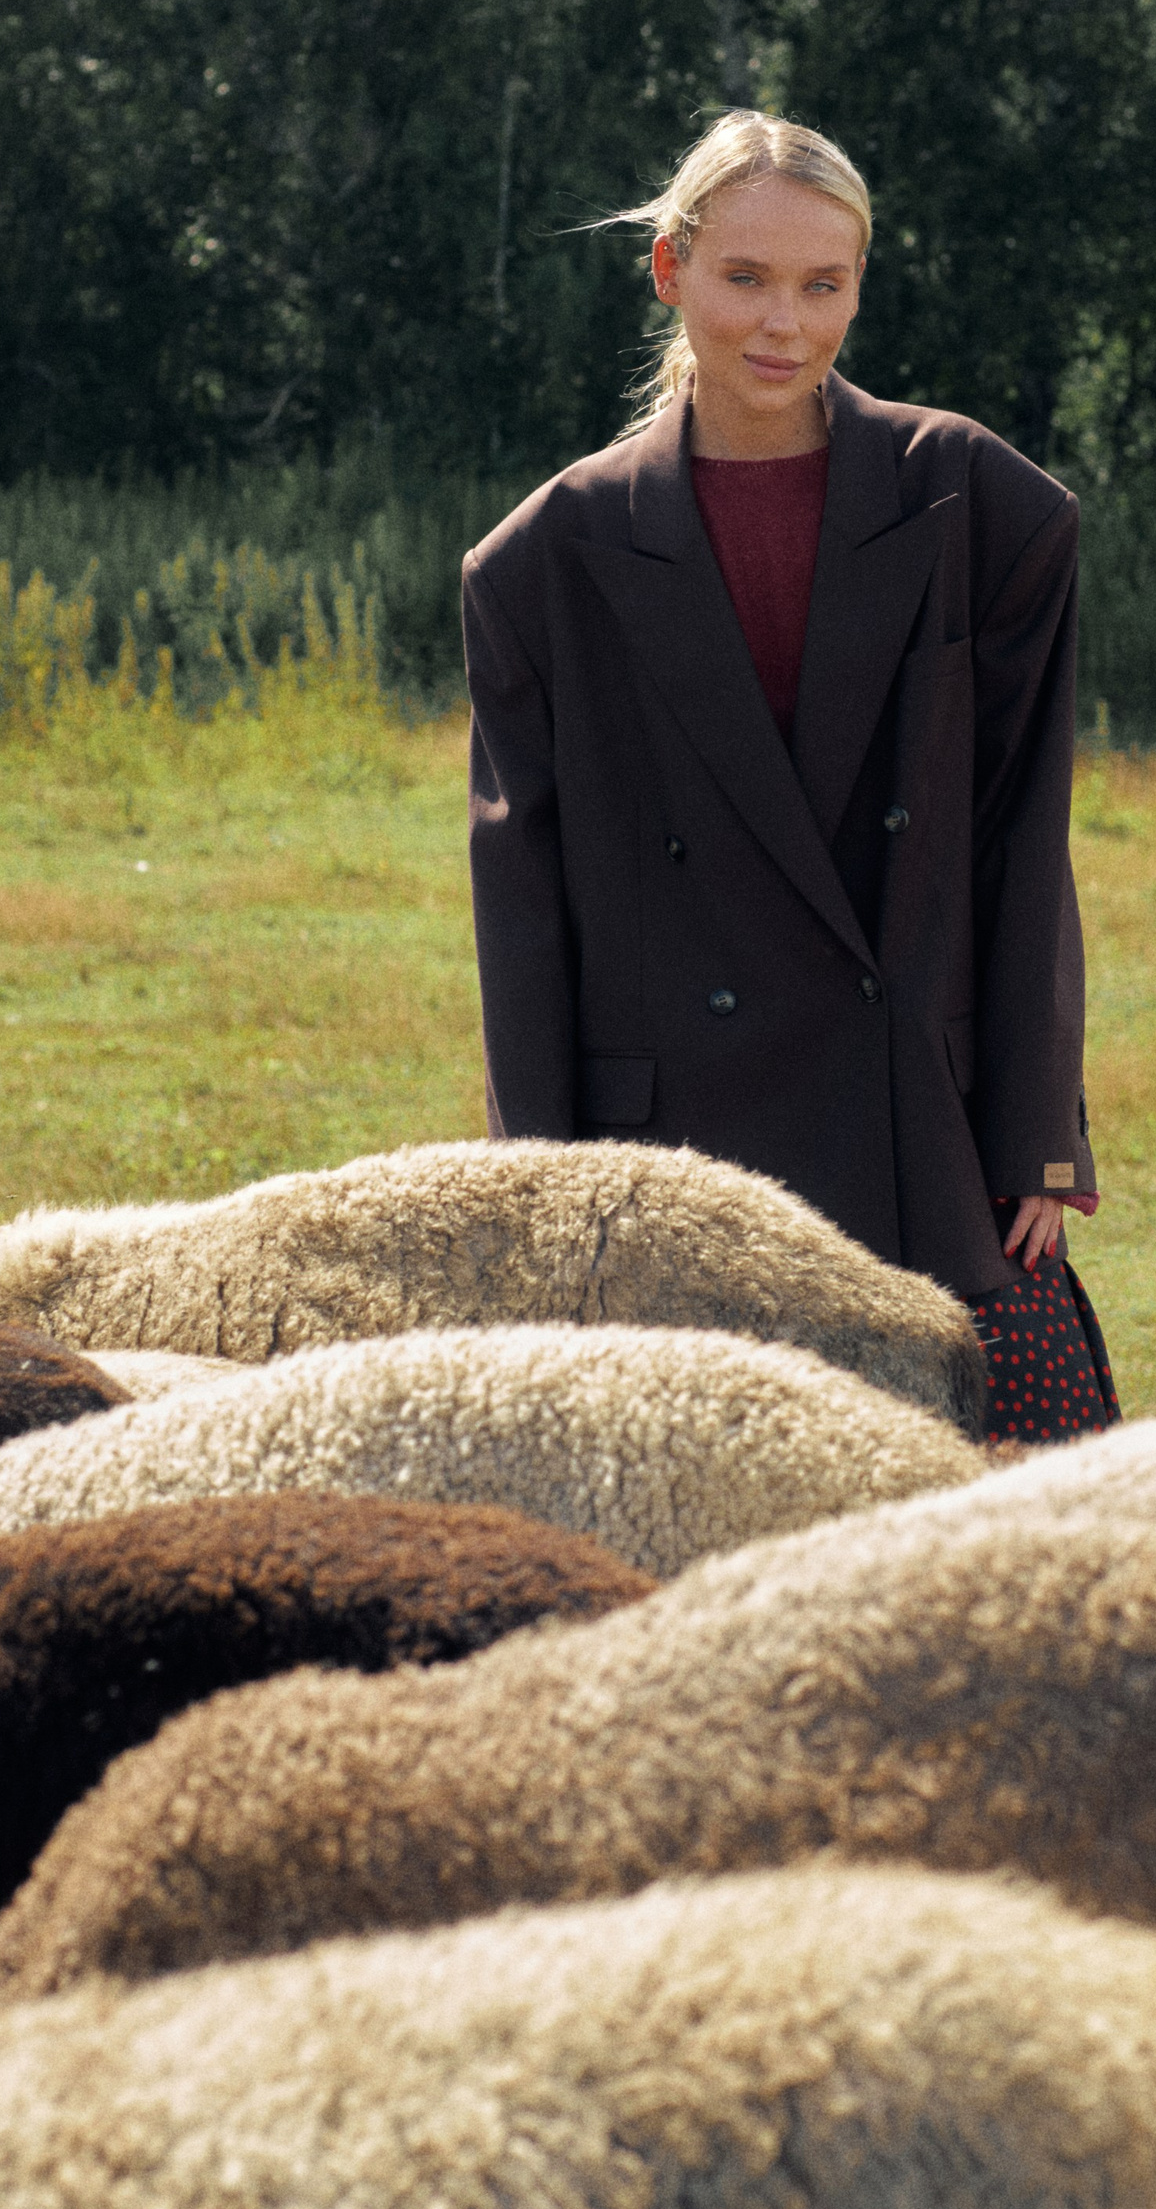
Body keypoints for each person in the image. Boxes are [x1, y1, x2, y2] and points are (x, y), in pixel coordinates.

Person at [461, 111, 1114, 1441]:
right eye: (746, 279)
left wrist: (1036, 1133)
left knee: (996, 1539)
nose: (785, 326)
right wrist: (537, 1197)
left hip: (916, 1129)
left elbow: (1019, 834)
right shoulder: (542, 564)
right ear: (671, 273)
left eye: (825, 286)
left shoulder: (982, 506)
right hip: (670, 1165)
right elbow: (524, 919)